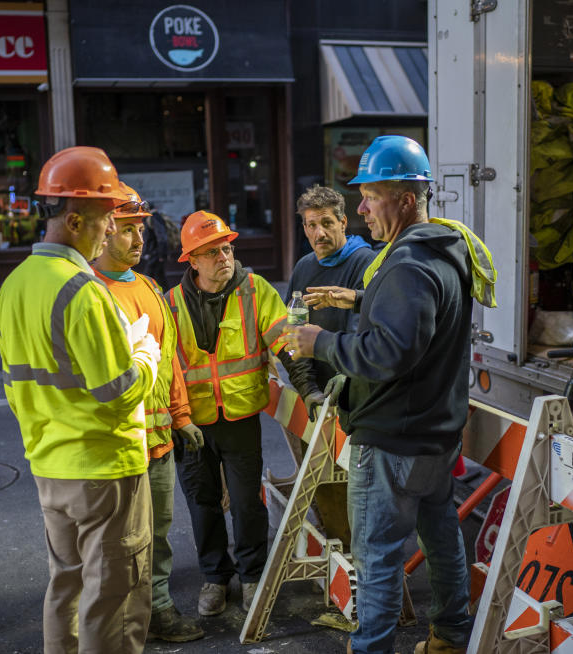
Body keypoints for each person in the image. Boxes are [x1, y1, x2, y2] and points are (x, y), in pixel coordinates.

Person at [281, 135, 498, 654]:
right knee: (442, 536)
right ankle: (449, 636)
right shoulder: (442, 249)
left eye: (370, 196)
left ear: (404, 199)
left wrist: (321, 340)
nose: (360, 209)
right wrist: (357, 297)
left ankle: (374, 646)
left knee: (376, 557)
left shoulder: (405, 265)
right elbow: (421, 321)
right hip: (434, 435)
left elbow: (389, 353)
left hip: (393, 439)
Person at [0, 146, 162, 654]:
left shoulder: (14, 286)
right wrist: (146, 355)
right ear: (74, 220)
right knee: (114, 597)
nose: (111, 230)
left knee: (66, 586)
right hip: (104, 470)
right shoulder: (81, 291)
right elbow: (117, 394)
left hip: (51, 466)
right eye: (106, 219)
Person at [166, 210, 324, 616]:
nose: (224, 256)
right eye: (212, 251)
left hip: (239, 419)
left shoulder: (254, 291)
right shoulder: (170, 304)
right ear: (192, 260)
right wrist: (173, 421)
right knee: (201, 503)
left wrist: (308, 390)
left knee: (245, 503)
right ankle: (215, 578)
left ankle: (252, 576)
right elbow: (163, 368)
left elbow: (289, 344)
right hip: (192, 424)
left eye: (227, 247)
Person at [91, 183, 205, 643]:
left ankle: (158, 608)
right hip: (115, 448)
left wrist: (181, 417)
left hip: (156, 444)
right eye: (128, 231)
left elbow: (169, 359)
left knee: (157, 533)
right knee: (119, 543)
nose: (140, 240)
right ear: (104, 231)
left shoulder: (152, 289)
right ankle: (123, 622)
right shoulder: (90, 294)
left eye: (142, 229)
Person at [286, 185, 375, 388]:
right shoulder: (303, 266)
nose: (320, 233)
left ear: (343, 222)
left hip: (352, 385)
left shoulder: (366, 262)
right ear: (305, 228)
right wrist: (308, 389)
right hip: (315, 388)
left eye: (327, 223)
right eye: (312, 225)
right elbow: (292, 331)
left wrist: (345, 380)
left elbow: (361, 334)